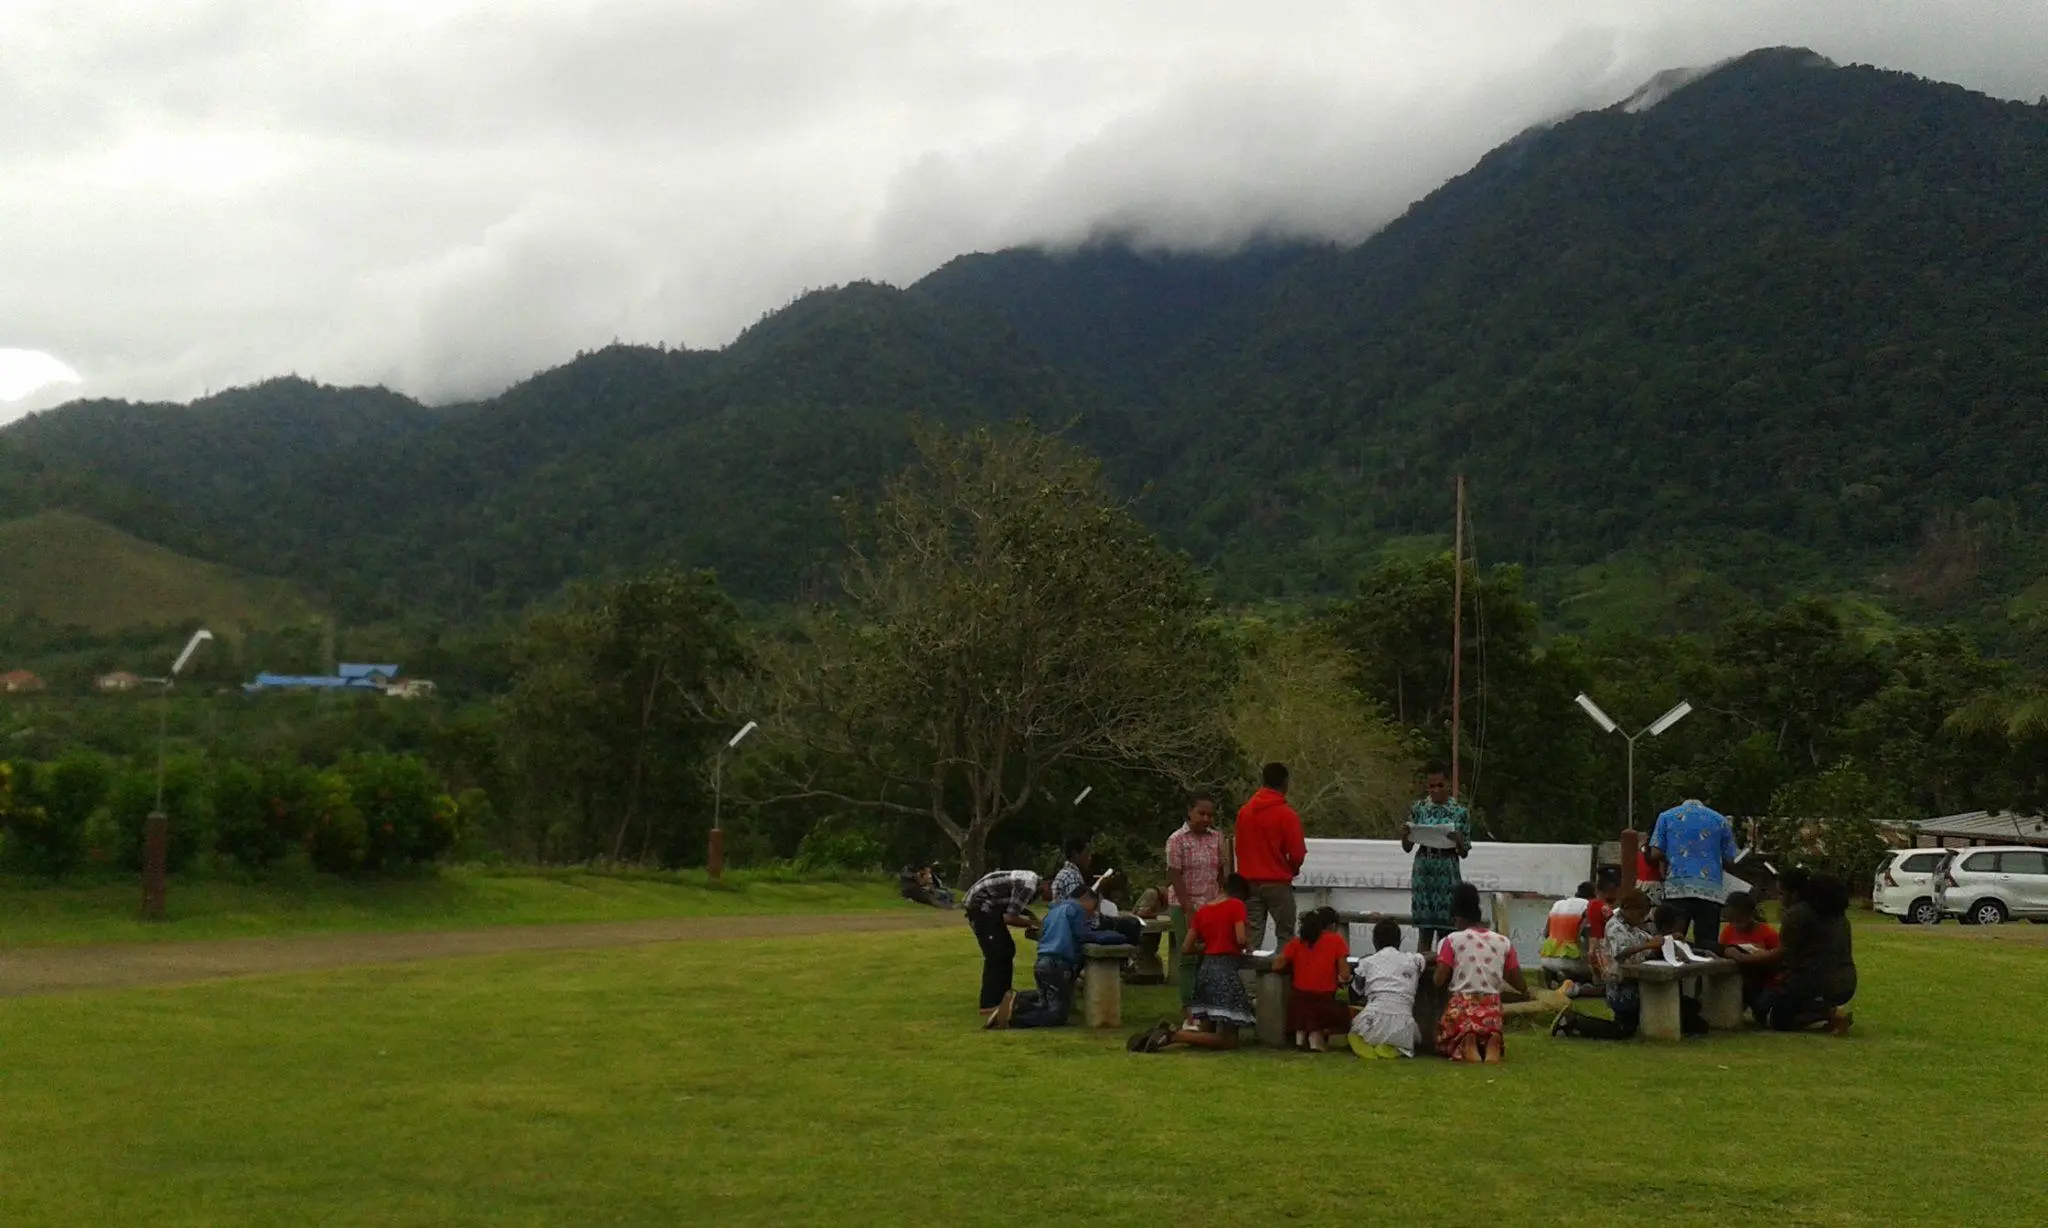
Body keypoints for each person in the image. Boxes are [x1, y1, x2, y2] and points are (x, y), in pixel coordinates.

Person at [1133, 874, 1258, 1053]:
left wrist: (1208, 946)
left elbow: (1186, 947)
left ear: (1222, 888)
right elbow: (1240, 938)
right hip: (1224, 972)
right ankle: (1174, 1035)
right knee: (1229, 1040)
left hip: (1205, 970)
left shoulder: (1203, 911)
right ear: (1241, 894)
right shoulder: (1236, 905)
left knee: (1206, 1030)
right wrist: (1248, 944)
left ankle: (1170, 1035)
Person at [990, 886, 1131, 1030]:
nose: (1092, 913)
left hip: (1042, 961)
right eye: (1093, 907)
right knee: (1057, 1014)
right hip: (1058, 963)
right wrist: (1117, 936)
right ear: (1085, 899)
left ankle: (1016, 1006)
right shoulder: (1076, 909)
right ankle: (1011, 1019)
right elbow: (1084, 935)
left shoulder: (1053, 911)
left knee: (1044, 1004)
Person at [1754, 868, 1856, 1035]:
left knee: (1771, 1013)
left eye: (1781, 893)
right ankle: (1825, 1012)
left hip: (1812, 983)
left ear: (1794, 893)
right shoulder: (1839, 916)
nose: (1779, 899)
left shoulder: (1797, 914)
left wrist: (1745, 956)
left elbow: (1783, 953)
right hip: (1846, 981)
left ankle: (1829, 1014)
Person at [1433, 883, 1526, 1062]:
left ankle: (1466, 1040)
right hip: (1491, 1012)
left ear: (1456, 917)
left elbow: (1439, 980)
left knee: (1442, 1037)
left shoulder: (1451, 940)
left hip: (1463, 1011)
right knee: (1490, 1025)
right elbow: (1519, 983)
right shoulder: (1503, 942)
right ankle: (1492, 1039)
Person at [1553, 888, 1661, 1040]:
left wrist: (1666, 940)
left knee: (1628, 1026)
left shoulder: (1633, 928)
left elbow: (1648, 939)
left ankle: (1575, 1023)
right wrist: (1648, 946)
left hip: (1632, 981)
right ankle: (1575, 1022)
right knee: (1623, 1030)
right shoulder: (1615, 927)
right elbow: (1621, 952)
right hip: (1620, 985)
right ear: (1628, 909)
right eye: (1640, 915)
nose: (1642, 919)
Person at [1649, 798, 1741, 947]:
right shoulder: (1720, 820)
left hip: (1677, 887)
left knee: (1672, 942)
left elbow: (1655, 853)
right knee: (1707, 943)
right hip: (1710, 890)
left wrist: (1673, 859)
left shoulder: (1665, 817)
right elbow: (1729, 860)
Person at [962, 868, 1051, 1021]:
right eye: (1054, 891)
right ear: (1048, 884)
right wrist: (1034, 924)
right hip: (980, 906)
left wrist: (1032, 919)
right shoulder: (1029, 885)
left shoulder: (1033, 883)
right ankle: (989, 1003)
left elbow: (1014, 905)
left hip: (991, 906)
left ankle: (1003, 998)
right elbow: (1010, 917)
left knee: (1007, 949)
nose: (1053, 897)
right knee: (996, 952)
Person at [1166, 793, 1228, 1009]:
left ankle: (1209, 1005)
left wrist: (1224, 901)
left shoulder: (1216, 838)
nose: (1206, 819)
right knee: (1189, 956)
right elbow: (1174, 874)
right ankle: (1189, 1008)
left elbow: (1221, 871)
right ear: (1190, 811)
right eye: (1201, 814)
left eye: (1210, 815)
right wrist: (1188, 909)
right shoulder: (1177, 839)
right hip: (1185, 904)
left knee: (1210, 956)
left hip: (1212, 904)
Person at [1235, 764, 1306, 952]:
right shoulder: (1287, 814)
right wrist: (1291, 869)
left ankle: (1248, 971)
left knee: (1251, 936)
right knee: (1285, 935)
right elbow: (1297, 852)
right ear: (1285, 783)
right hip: (1277, 882)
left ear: (1263, 781)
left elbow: (1239, 847)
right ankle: (1281, 970)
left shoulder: (1244, 812)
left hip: (1249, 882)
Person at [1403, 764, 1472, 953]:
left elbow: (1464, 852)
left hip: (1447, 869)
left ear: (1448, 784)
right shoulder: (1419, 808)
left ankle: (1444, 967)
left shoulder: (1459, 812)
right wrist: (1405, 834)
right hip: (1424, 868)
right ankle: (1422, 967)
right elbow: (1407, 847)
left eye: (1440, 785)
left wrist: (1458, 840)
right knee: (1424, 930)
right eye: (1431, 786)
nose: (1435, 790)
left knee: (1447, 930)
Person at [1274, 906, 1351, 1051]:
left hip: (1299, 997)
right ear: (1333, 925)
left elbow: (1277, 965)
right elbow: (1345, 974)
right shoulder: (1336, 940)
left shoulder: (1297, 941)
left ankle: (1301, 1034)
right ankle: (1317, 1035)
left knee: (1301, 1000)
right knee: (1341, 1011)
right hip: (1324, 998)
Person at [1348, 919, 1426, 1058]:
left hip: (1372, 1019)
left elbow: (1354, 992)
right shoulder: (1414, 960)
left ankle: (1366, 1043)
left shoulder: (1367, 962)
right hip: (1404, 1024)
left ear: (1374, 941)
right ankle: (1396, 1048)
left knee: (1355, 1032)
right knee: (1406, 1039)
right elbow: (1431, 956)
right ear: (1400, 941)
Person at [1716, 890, 1784, 1022]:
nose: (1736, 924)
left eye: (1740, 920)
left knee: (1763, 1007)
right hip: (1741, 978)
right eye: (1732, 920)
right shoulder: (1728, 931)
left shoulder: (1767, 933)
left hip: (1767, 980)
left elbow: (1780, 959)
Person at [1539, 883, 1595, 985]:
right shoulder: (1588, 905)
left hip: (1547, 957)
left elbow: (1546, 933)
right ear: (1592, 896)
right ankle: (1569, 977)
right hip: (1569, 959)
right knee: (1592, 974)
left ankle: (1553, 975)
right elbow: (1587, 936)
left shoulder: (1558, 904)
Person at [1050, 836, 1093, 902]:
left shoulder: (1066, 873)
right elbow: (1077, 904)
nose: (1090, 858)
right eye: (1087, 853)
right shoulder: (1072, 876)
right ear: (1075, 854)